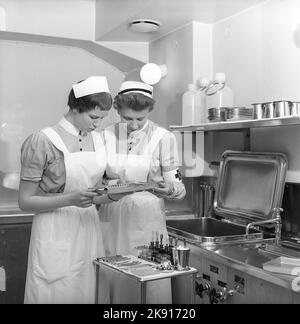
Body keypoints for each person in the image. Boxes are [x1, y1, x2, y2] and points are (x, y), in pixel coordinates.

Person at [19, 76, 114, 304]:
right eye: (93, 117)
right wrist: (71, 199)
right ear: (74, 108)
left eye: (101, 118)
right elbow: (25, 201)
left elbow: (98, 188)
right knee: (57, 292)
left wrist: (111, 193)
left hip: (89, 227)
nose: (97, 124)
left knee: (89, 290)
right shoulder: (43, 141)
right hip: (55, 228)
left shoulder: (99, 141)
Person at [99, 81, 186, 304]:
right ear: (117, 111)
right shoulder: (104, 136)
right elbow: (96, 179)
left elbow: (178, 185)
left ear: (149, 112)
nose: (134, 124)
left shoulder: (163, 138)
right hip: (112, 217)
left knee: (148, 285)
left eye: (141, 118)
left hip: (146, 223)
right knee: (113, 280)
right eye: (127, 118)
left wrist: (170, 189)